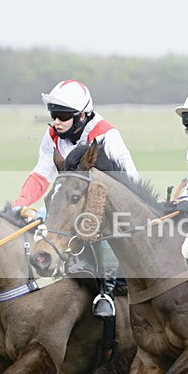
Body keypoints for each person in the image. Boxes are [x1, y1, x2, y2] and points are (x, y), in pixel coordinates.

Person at [12, 79, 138, 317]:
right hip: (70, 199)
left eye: (63, 116)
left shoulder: (107, 135)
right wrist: (21, 203)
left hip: (106, 203)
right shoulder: (52, 135)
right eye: (53, 115)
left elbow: (129, 182)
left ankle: (106, 292)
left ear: (81, 116)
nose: (57, 122)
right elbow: (41, 174)